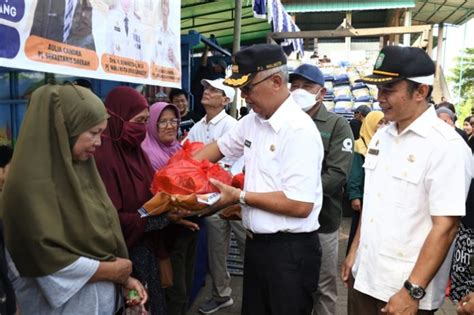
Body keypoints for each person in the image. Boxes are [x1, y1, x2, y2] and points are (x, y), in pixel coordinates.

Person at [341, 45, 472, 314]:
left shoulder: (446, 146)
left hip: (403, 291)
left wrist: (412, 290)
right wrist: (354, 251)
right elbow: (373, 203)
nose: (380, 98)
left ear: (421, 91)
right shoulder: (382, 136)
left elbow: (445, 227)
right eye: (378, 90)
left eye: (389, 89)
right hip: (364, 278)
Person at [193, 44, 323, 315]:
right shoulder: (252, 121)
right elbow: (218, 149)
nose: (245, 97)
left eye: (248, 88)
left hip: (289, 254)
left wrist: (239, 196)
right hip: (257, 246)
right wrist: (180, 174)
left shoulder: (299, 130)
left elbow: (299, 205)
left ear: (276, 81)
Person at [2, 83, 147, 314]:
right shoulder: (26, 190)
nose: (99, 143)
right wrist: (113, 271)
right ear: (63, 130)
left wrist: (125, 282)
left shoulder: (82, 170)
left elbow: (103, 241)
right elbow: (43, 260)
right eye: (93, 133)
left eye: (102, 132)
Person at [95, 86, 177, 314]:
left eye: (146, 121)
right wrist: (159, 217)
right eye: (138, 121)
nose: (142, 128)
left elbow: (150, 197)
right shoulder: (102, 159)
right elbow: (108, 220)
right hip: (122, 262)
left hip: (147, 254)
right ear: (117, 118)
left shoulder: (137, 153)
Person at [289, 63, 354, 315]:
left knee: (323, 286)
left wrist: (295, 195)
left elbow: (337, 175)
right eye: (294, 86)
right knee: (293, 283)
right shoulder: (284, 122)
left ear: (321, 93)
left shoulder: (337, 125)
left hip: (322, 222)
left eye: (306, 86)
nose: (299, 91)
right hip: (287, 220)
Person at [188, 79, 246, 314]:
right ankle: (222, 294)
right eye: (206, 88)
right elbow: (189, 156)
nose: (207, 92)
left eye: (214, 90)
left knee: (249, 248)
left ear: (225, 100)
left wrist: (229, 185)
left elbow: (240, 160)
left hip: (235, 196)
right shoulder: (197, 126)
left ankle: (258, 293)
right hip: (210, 199)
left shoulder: (233, 125)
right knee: (216, 251)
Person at [141, 102, 199, 315]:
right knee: (175, 293)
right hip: (165, 233)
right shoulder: (147, 154)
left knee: (185, 288)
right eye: (162, 121)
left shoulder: (179, 149)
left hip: (189, 227)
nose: (169, 126)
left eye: (173, 120)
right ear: (151, 125)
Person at [346, 111, 384, 252]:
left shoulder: (382, 143)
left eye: (384, 122)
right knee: (358, 229)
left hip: (376, 195)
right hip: (362, 196)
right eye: (380, 122)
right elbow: (355, 173)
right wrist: (355, 196)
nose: (383, 125)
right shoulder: (358, 145)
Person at [30, 0, 96, 50]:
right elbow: (36, 31)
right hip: (47, 58)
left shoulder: (89, 5)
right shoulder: (47, 2)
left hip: (74, 61)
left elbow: (88, 39)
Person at [191, 45, 227, 119]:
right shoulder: (208, 68)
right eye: (221, 69)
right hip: (197, 96)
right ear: (218, 66)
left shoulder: (217, 76)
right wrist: (206, 48)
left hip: (202, 99)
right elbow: (203, 63)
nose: (221, 71)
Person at [152, 0, 179, 69]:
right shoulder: (155, 32)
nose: (164, 7)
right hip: (156, 74)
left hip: (169, 74)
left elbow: (178, 66)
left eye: (166, 4)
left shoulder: (173, 35)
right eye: (162, 4)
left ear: (169, 9)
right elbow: (151, 58)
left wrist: (174, 59)